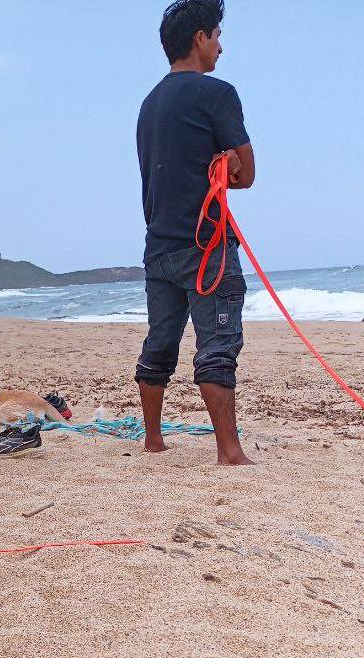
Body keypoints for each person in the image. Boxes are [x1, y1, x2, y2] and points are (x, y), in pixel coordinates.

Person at [135, 0, 256, 465]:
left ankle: (153, 440)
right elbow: (247, 175)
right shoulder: (217, 94)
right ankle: (230, 452)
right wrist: (229, 164)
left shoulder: (148, 105)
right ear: (200, 37)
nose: (221, 47)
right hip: (206, 246)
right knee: (218, 346)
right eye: (218, 36)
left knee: (160, 342)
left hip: (158, 248)